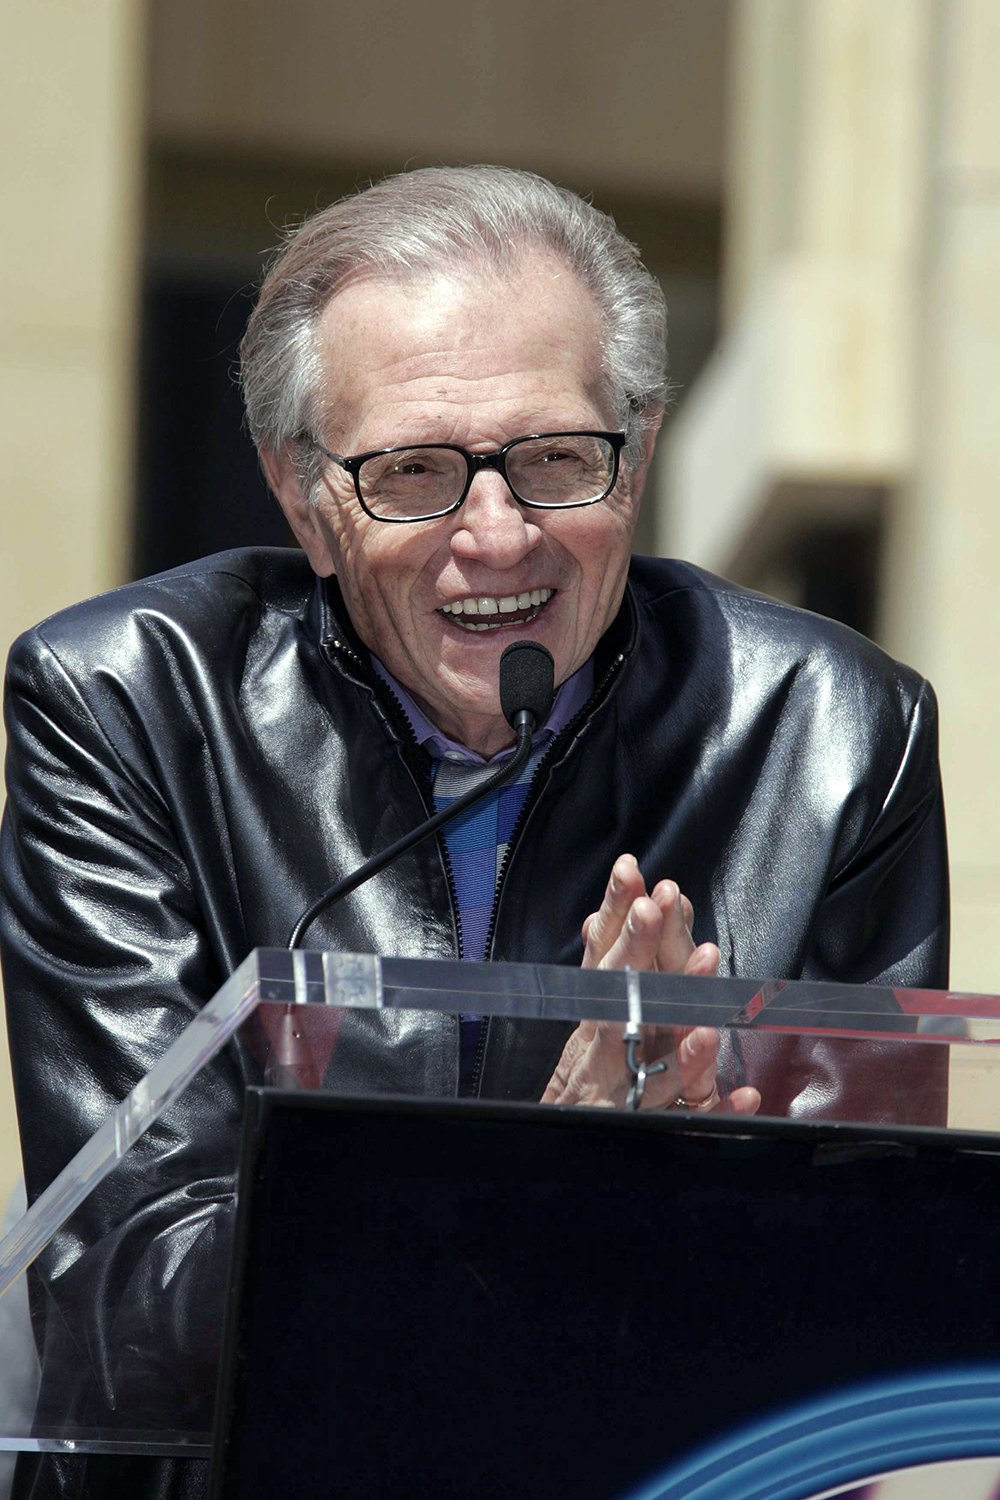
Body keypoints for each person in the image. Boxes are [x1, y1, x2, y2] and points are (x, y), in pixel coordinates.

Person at [0, 166, 948, 1499]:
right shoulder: (130, 705)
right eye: (415, 474)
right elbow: (139, 1291)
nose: (497, 535)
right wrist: (554, 1183)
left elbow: (864, 1306)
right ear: (299, 495)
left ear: (646, 449)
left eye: (559, 459)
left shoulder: (836, 733)